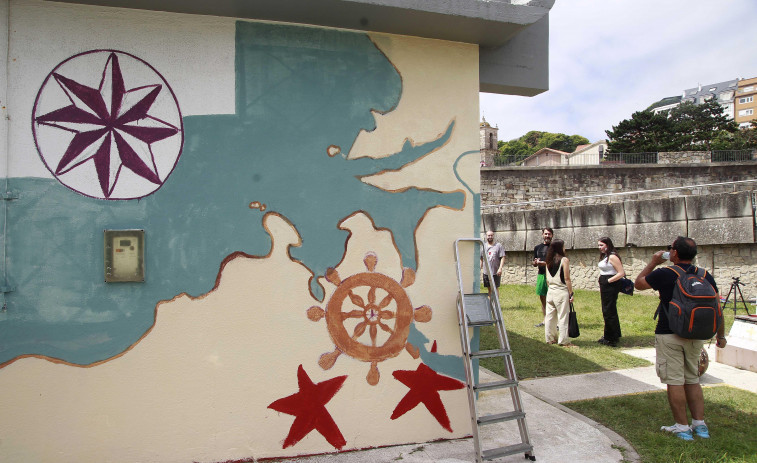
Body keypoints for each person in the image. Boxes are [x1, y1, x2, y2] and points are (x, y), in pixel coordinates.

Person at [634, 236, 727, 441]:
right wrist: (721, 336)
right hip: (696, 333)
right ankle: (700, 425)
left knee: (675, 381)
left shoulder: (666, 273)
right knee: (692, 379)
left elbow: (638, 284)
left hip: (669, 332)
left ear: (674, 253)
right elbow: (717, 307)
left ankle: (682, 427)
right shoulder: (704, 275)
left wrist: (653, 262)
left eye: (671, 249)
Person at [543, 239, 575, 347]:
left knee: (550, 316)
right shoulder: (564, 260)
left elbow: (547, 279)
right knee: (563, 316)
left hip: (551, 291)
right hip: (561, 291)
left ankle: (550, 338)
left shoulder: (548, 260)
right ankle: (564, 340)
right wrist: (571, 293)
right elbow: (567, 278)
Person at [597, 237, 626, 347]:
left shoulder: (613, 256)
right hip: (605, 283)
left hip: (610, 284)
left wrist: (608, 281)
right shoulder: (606, 256)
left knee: (609, 310)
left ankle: (611, 338)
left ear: (607, 245)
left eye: (601, 245)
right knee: (608, 310)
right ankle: (611, 334)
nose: (600, 247)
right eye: (599, 245)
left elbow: (621, 272)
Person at [532, 227, 553, 327]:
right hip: (541, 275)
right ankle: (545, 320)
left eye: (549, 234)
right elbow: (534, 262)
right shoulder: (537, 248)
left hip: (552, 276)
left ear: (552, 235)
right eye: (545, 234)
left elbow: (555, 262)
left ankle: (555, 322)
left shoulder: (554, 247)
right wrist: (535, 263)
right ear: (542, 235)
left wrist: (543, 263)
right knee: (542, 298)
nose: (547, 236)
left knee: (553, 299)